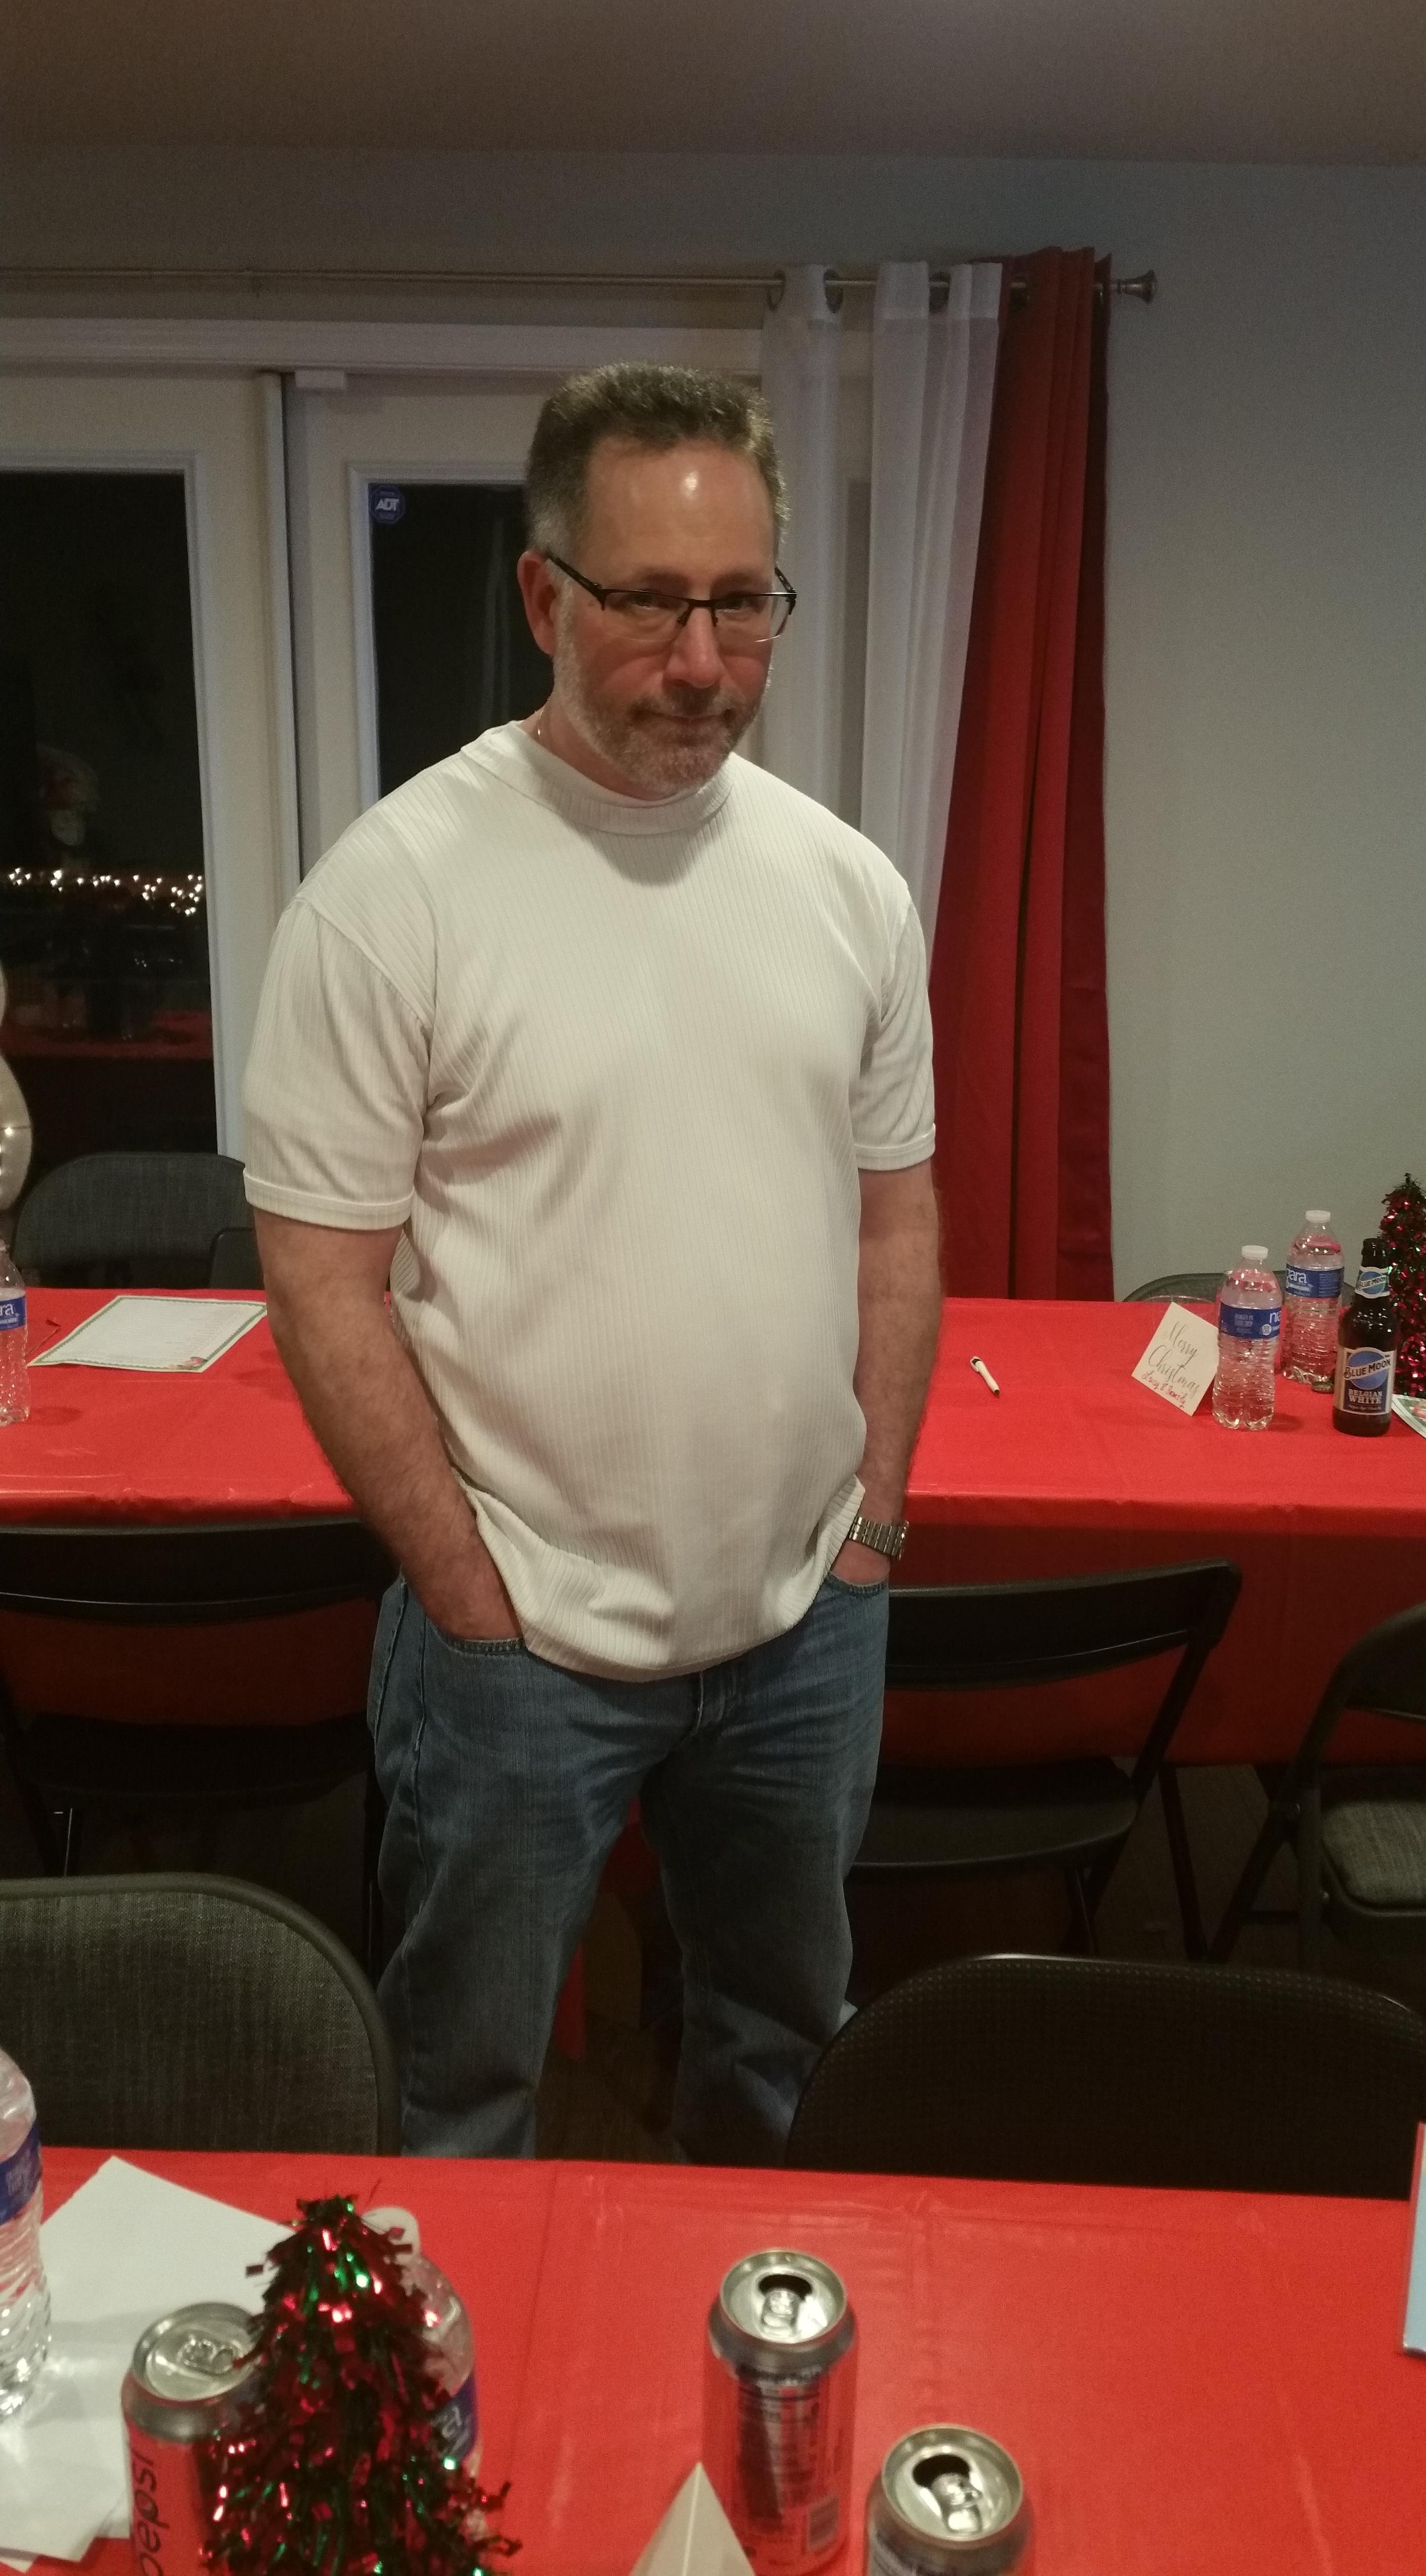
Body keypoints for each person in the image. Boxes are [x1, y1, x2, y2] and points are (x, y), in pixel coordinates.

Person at [243, 362, 941, 2161]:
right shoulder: (392, 895)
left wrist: (870, 1529)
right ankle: (460, 2433)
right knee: (463, 2097)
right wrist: (463, 1590)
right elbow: (322, 1278)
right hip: (517, 1648)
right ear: (547, 596)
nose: (702, 659)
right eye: (649, 602)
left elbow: (893, 1217)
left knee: (781, 2059)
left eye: (742, 603)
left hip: (801, 1619)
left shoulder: (847, 888)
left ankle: (750, 2395)